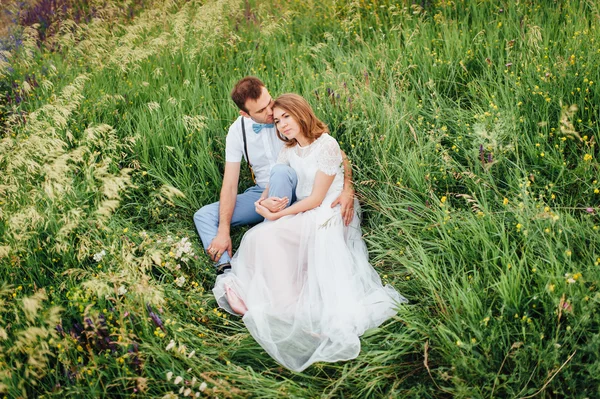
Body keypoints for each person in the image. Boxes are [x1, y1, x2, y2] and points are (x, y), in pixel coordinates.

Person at [213, 93, 406, 372]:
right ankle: (281, 303)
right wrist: (262, 202)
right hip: (306, 212)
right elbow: (269, 188)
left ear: (300, 112)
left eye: (286, 117)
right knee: (257, 236)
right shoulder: (289, 150)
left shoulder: (326, 145)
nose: (282, 125)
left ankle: (287, 310)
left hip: (328, 212)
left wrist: (279, 214)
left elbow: (317, 199)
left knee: (267, 234)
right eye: (277, 121)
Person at [193, 77, 355, 275]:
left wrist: (348, 188)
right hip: (265, 191)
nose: (270, 112)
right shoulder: (237, 132)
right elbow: (229, 185)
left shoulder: (287, 114)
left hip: (304, 188)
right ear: (245, 114)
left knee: (280, 173)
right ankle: (225, 268)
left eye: (269, 102)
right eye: (261, 111)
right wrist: (224, 229)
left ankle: (269, 243)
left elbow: (334, 151)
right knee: (203, 216)